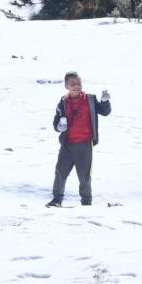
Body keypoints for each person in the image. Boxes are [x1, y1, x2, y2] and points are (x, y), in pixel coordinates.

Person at [47, 72, 111, 208]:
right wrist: (60, 126)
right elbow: (56, 124)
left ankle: (86, 202)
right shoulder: (62, 103)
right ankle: (57, 199)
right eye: (72, 84)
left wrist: (105, 102)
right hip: (67, 145)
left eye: (78, 83)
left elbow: (105, 112)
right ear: (66, 86)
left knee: (85, 176)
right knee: (60, 171)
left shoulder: (90, 99)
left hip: (84, 145)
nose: (76, 86)